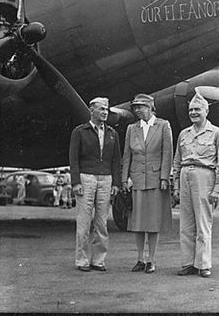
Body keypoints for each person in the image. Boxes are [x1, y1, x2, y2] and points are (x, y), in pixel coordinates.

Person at [173, 91, 219, 278]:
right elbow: (177, 161)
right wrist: (176, 187)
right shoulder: (183, 134)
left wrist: (217, 188)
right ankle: (188, 263)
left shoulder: (217, 133)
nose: (193, 112)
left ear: (206, 111)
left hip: (205, 176)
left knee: (203, 223)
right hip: (184, 175)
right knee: (186, 224)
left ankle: (203, 264)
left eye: (197, 109)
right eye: (191, 110)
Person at [122, 93, 173, 274]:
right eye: (135, 107)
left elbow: (167, 153)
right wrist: (124, 178)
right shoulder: (131, 129)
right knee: (137, 222)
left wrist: (165, 177)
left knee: (152, 222)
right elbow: (127, 155)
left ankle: (151, 259)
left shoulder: (163, 126)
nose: (137, 110)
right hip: (136, 179)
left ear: (151, 107)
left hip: (155, 179)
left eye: (141, 107)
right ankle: (139, 259)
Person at [69, 97, 121, 272]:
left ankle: (98, 260)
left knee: (101, 222)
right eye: (101, 109)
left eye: (106, 109)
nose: (105, 112)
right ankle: (82, 260)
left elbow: (116, 160)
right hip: (86, 178)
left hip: (106, 179)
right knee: (83, 222)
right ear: (91, 110)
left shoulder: (113, 133)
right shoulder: (80, 131)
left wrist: (116, 182)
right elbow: (73, 158)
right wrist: (76, 182)